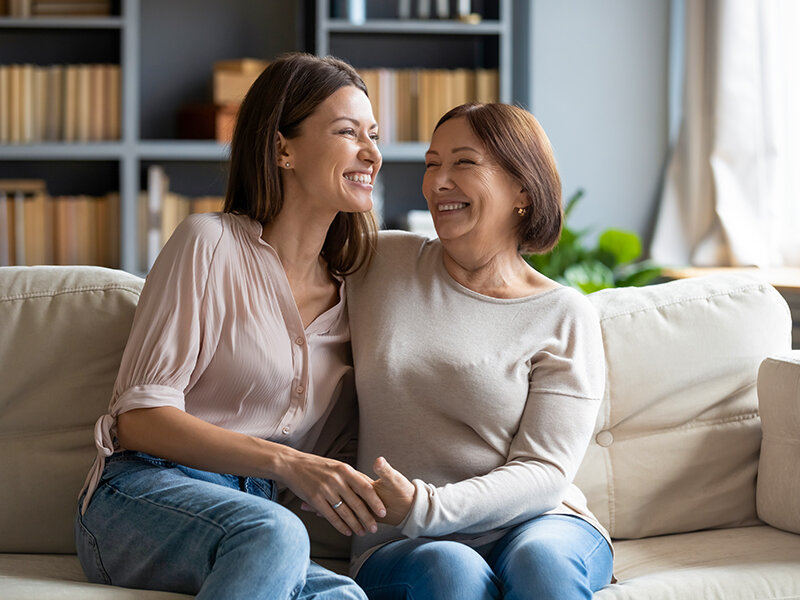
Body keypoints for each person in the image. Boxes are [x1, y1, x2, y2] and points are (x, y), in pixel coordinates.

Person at [74, 52, 386, 600]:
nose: (372, 153)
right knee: (275, 532)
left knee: (345, 597)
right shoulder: (208, 243)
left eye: (374, 134)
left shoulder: (357, 291)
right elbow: (140, 420)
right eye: (347, 132)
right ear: (282, 148)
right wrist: (289, 463)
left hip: (255, 518)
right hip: (146, 491)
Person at [345, 103, 614, 599]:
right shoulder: (380, 261)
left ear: (522, 190)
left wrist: (427, 504)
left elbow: (544, 471)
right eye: (431, 163)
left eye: (464, 163)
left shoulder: (563, 315)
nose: (438, 182)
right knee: (452, 571)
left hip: (538, 524)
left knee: (544, 563)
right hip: (404, 539)